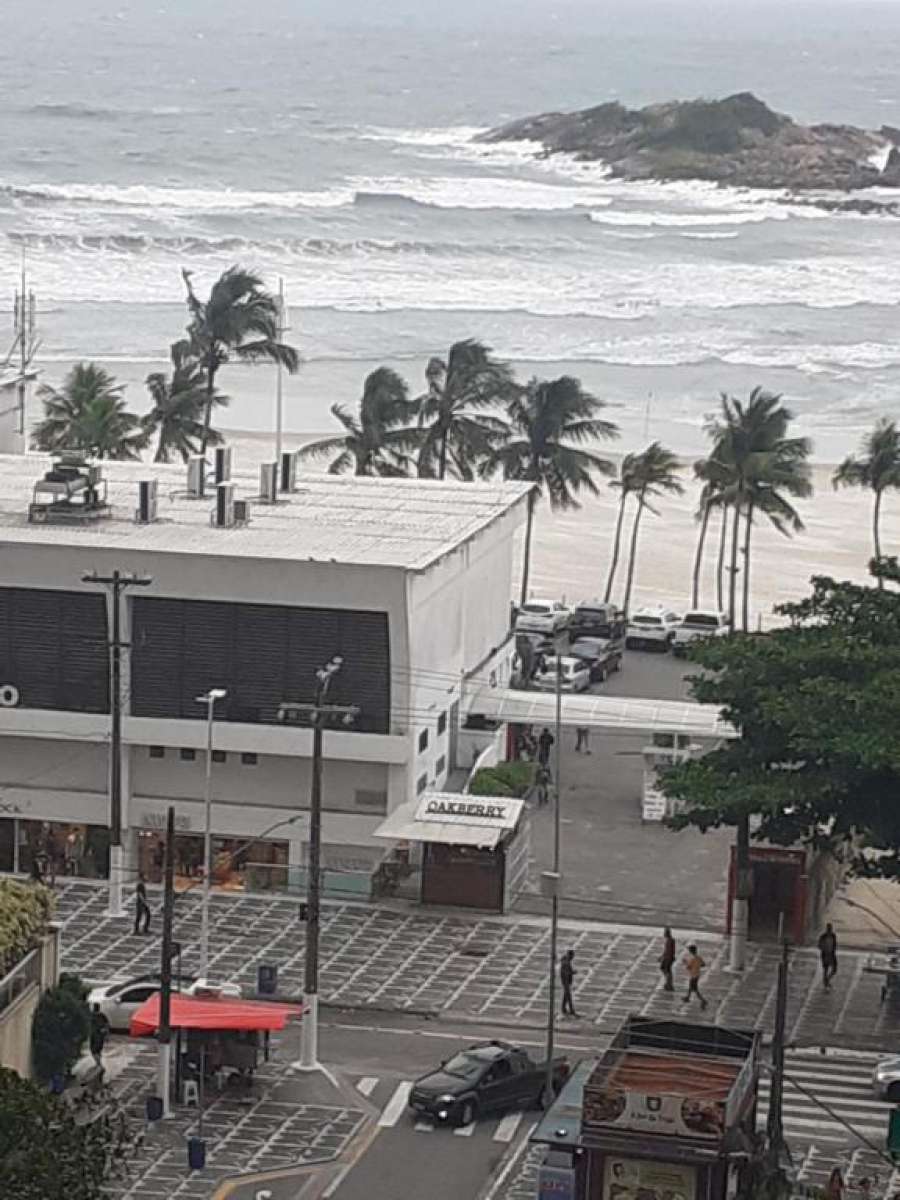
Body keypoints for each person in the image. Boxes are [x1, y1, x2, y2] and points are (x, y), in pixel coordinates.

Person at [681, 943, 708, 1011]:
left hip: (693, 975)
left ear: (691, 951)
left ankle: (703, 1000)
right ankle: (687, 997)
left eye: (689, 950)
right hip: (697, 975)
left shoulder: (692, 959)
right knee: (691, 987)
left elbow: (688, 967)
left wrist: (685, 962)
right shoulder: (699, 957)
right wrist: (697, 966)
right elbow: (703, 964)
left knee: (695, 989)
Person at [89, 1003, 109, 1071]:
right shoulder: (102, 1015)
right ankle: (98, 1064)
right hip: (99, 1035)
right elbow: (107, 1025)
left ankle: (99, 1064)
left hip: (95, 1035)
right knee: (98, 1050)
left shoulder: (92, 1015)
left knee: (94, 1050)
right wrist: (106, 1035)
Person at [818, 923, 838, 989]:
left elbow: (835, 945)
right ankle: (825, 983)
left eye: (830, 928)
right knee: (825, 969)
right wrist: (824, 948)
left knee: (834, 969)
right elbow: (819, 945)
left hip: (832, 955)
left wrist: (833, 950)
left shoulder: (833, 936)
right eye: (829, 928)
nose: (829, 930)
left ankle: (827, 980)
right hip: (825, 954)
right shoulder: (823, 936)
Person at [560, 948, 577, 1016]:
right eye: (572, 956)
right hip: (566, 981)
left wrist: (572, 972)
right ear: (570, 955)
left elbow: (566, 971)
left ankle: (563, 1008)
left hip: (566, 981)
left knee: (566, 996)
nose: (573, 958)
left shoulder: (565, 961)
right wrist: (572, 972)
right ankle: (571, 1010)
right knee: (568, 996)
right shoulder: (566, 963)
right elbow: (566, 972)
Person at [659, 927, 676, 992]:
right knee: (663, 969)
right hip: (667, 957)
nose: (664, 934)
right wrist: (662, 956)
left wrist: (666, 957)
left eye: (665, 932)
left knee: (667, 970)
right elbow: (667, 950)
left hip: (668, 958)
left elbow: (670, 951)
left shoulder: (670, 940)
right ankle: (668, 983)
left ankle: (669, 984)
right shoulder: (669, 940)